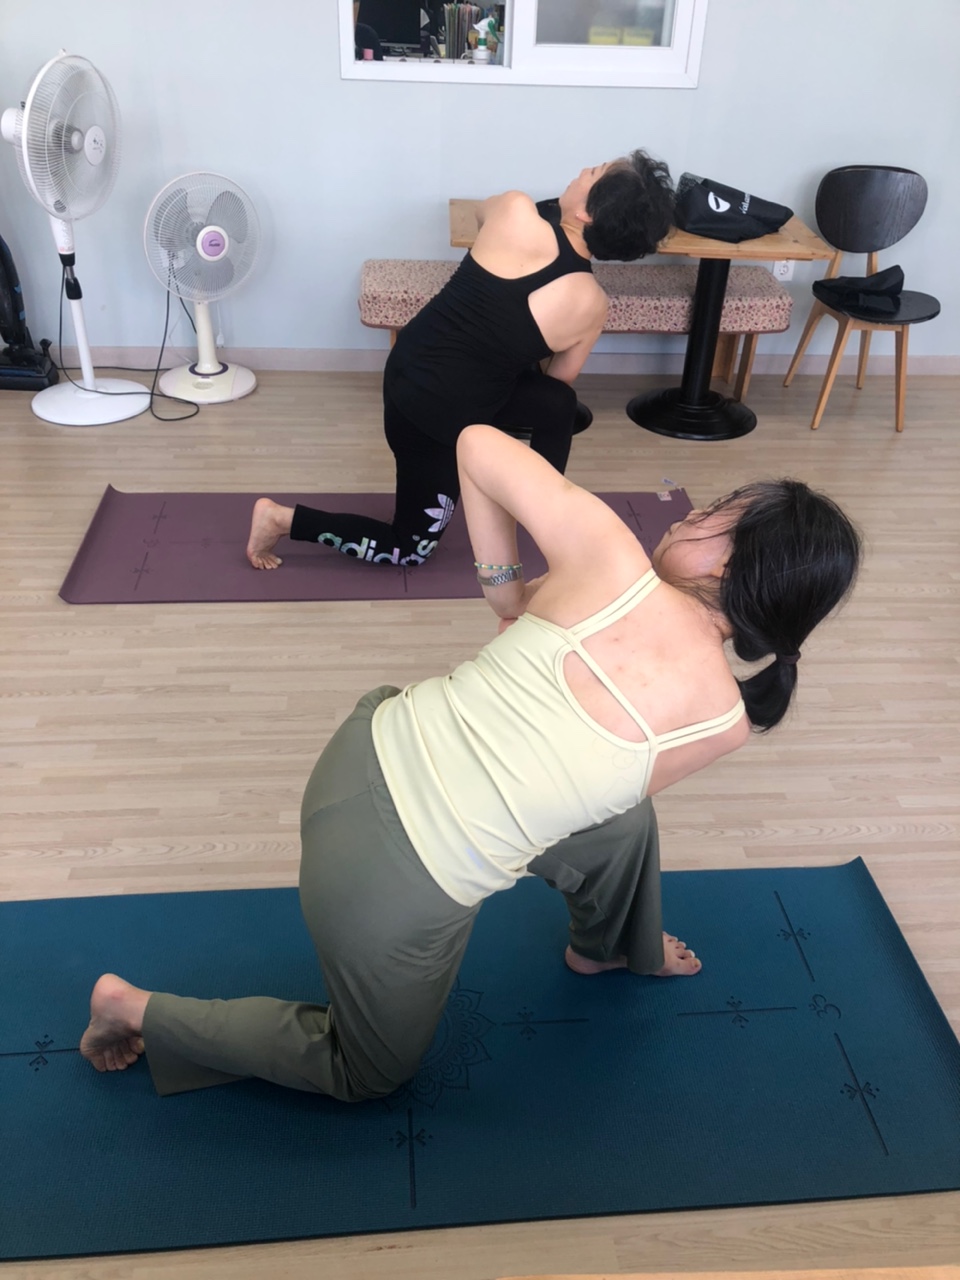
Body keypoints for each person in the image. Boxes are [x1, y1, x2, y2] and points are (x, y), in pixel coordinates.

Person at [82, 427, 861, 1099]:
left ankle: (610, 949)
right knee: (367, 1074)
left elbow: (477, 444)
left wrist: (505, 592)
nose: (691, 512)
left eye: (716, 513)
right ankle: (139, 1009)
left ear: (734, 564)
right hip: (380, 889)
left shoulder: (608, 550)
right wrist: (519, 603)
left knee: (622, 823)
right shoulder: (725, 723)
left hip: (362, 749)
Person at [245, 150, 674, 570]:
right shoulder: (592, 305)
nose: (582, 170)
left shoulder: (516, 211)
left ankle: (536, 499)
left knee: (409, 549)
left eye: (593, 172)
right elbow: (557, 378)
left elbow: (482, 216)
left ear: (587, 213)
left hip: (412, 375)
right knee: (555, 404)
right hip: (428, 412)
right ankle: (282, 519)